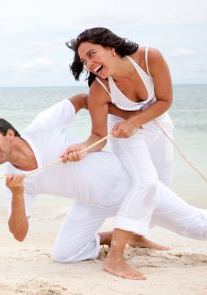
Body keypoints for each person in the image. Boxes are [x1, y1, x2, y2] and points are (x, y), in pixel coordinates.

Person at [0, 94, 206, 280]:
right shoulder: (14, 180)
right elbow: (19, 234)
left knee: (196, 228)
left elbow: (83, 100)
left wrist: (113, 126)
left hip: (129, 186)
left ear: (10, 134)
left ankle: (132, 232)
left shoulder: (43, 126)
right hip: (90, 203)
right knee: (65, 254)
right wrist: (17, 195)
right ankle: (120, 236)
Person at [62, 27, 175, 279]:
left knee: (161, 185)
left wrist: (136, 121)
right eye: (84, 61)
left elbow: (165, 100)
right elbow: (97, 136)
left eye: (92, 54)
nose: (89, 64)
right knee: (145, 182)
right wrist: (82, 148)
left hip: (158, 124)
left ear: (111, 48)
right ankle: (115, 258)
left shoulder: (150, 58)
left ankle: (137, 235)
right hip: (123, 133)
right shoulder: (99, 90)